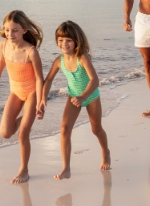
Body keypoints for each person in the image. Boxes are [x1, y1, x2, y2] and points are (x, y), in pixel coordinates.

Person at [40, 21, 111, 180]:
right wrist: (43, 99)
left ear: (77, 41)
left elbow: (94, 80)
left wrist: (84, 96)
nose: (64, 43)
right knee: (64, 129)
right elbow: (49, 79)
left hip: (90, 96)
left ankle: (105, 152)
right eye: (60, 40)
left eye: (68, 40)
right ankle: (66, 168)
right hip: (73, 96)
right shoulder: (59, 60)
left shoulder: (82, 57)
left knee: (96, 129)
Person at [0, 10, 45, 184]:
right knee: (6, 132)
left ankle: (24, 170)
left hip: (32, 93)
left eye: (14, 30)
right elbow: (2, 60)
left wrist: (40, 101)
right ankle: (27, 119)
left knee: (23, 134)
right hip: (15, 91)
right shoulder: (3, 45)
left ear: (24, 30)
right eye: (7, 30)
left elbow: (39, 78)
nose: (10, 34)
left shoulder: (31, 52)